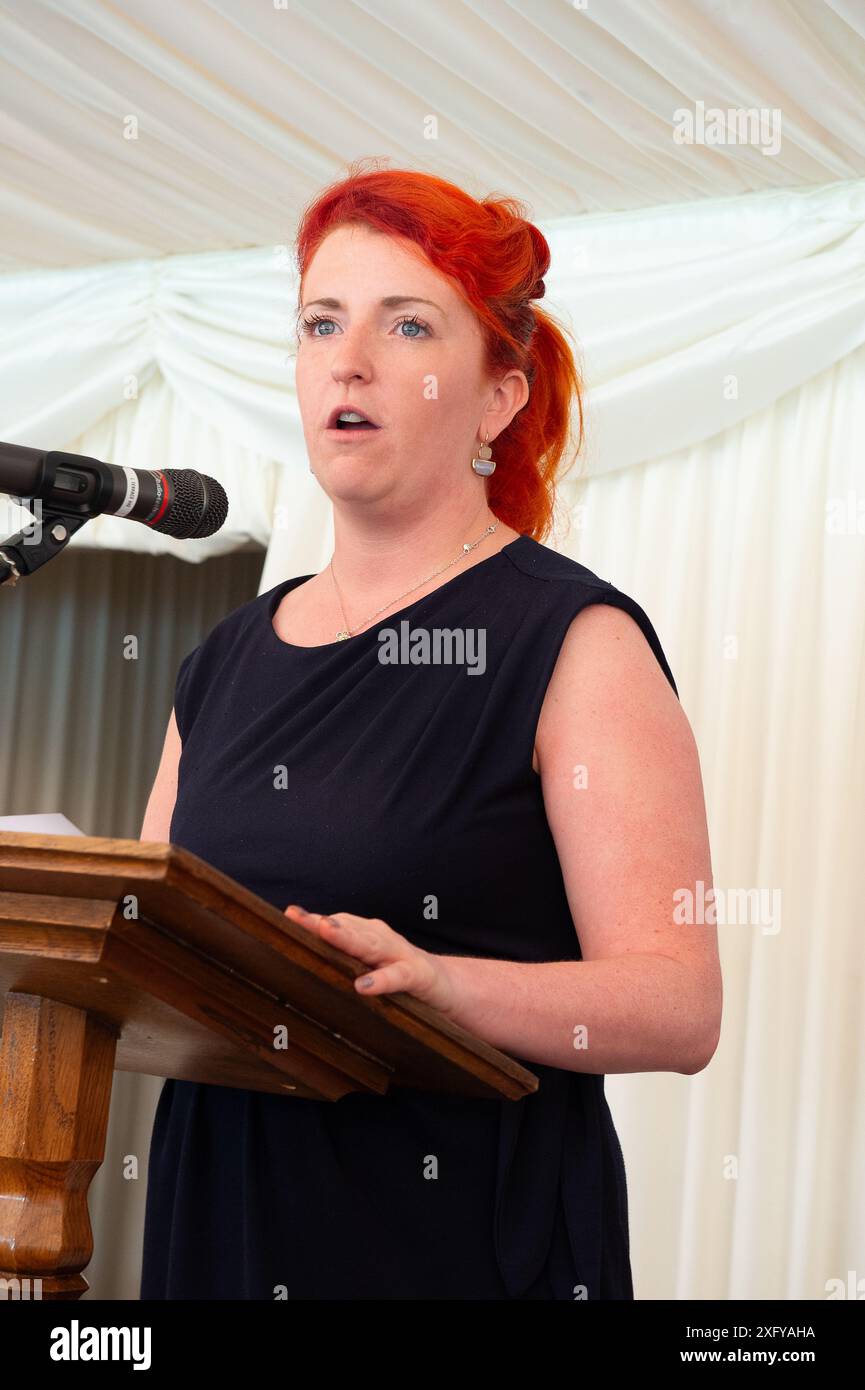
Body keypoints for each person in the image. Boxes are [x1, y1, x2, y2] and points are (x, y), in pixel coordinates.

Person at [139, 161, 721, 1300]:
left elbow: (677, 1006)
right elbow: (151, 937)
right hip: (222, 1216)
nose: (348, 361)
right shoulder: (223, 660)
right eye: (320, 323)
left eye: (407, 325)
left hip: (453, 1244)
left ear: (499, 395)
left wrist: (447, 984)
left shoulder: (575, 640)